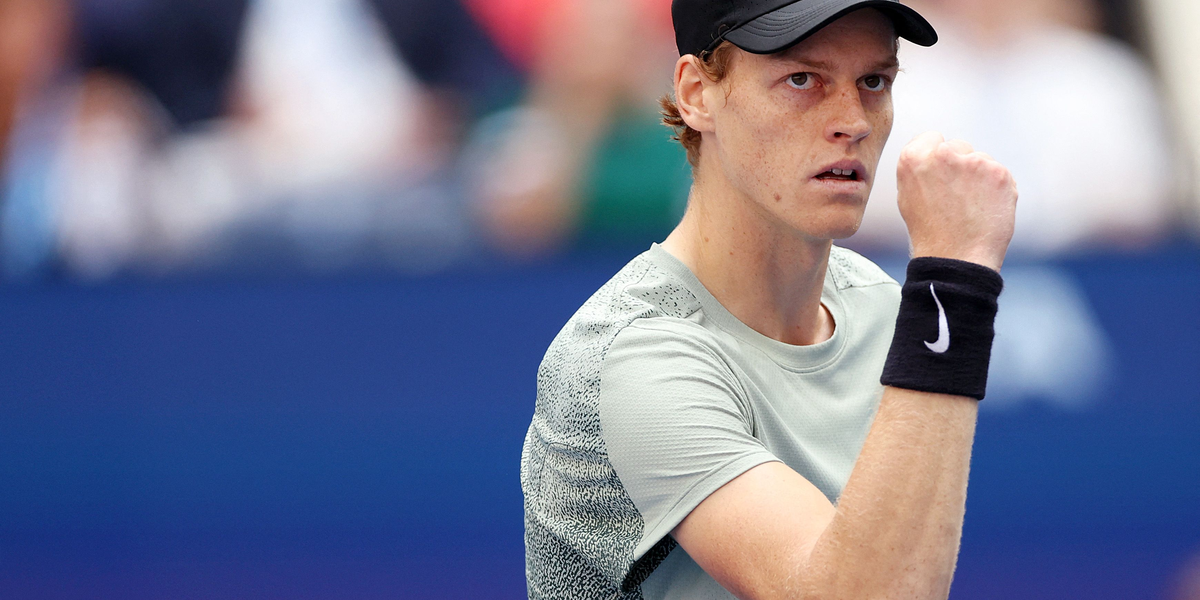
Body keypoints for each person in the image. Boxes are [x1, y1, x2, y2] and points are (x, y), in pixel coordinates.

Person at [520, 0, 1019, 598]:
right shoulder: (631, 356)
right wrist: (952, 279)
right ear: (697, 94)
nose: (852, 119)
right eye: (802, 79)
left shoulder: (885, 310)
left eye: (873, 81)